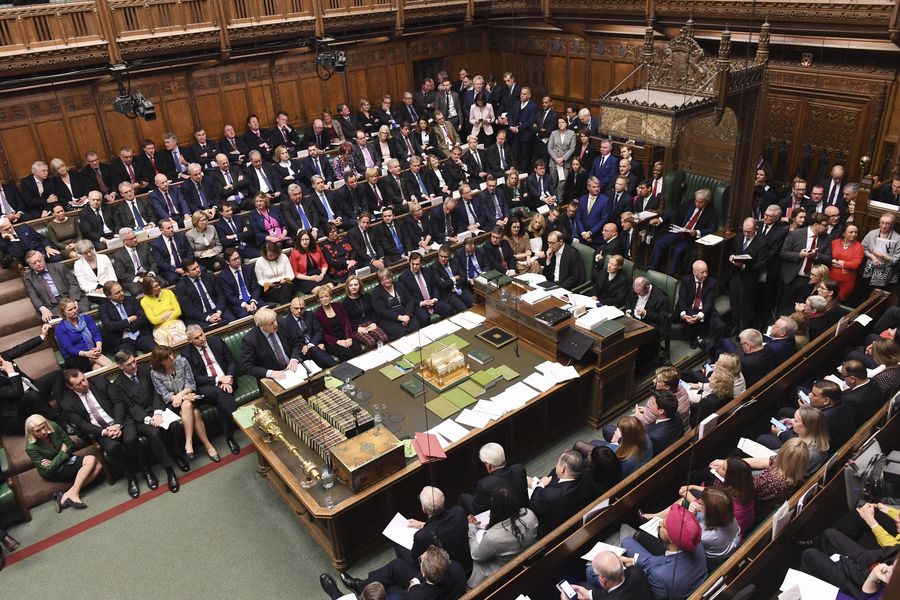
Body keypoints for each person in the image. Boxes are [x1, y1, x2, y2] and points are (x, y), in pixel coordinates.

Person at [60, 369, 145, 499]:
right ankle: (130, 478)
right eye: (79, 384)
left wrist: (117, 424)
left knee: (131, 439)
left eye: (84, 379)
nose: (84, 384)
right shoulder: (67, 403)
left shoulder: (100, 382)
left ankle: (146, 470)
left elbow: (118, 402)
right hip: (100, 431)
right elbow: (82, 424)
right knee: (112, 447)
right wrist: (104, 432)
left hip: (120, 420)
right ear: (70, 387)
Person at [110, 350, 186, 489]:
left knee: (174, 425)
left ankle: (177, 455)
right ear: (120, 366)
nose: (134, 366)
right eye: (129, 364)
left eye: (134, 361)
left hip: (157, 409)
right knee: (154, 433)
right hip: (141, 418)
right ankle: (169, 470)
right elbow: (130, 406)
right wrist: (148, 419)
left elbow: (157, 392)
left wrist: (157, 413)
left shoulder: (146, 370)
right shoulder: (118, 384)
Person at [619, 502, 707, 600]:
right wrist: (633, 562)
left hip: (668, 577)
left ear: (671, 539)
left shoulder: (659, 575)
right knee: (627, 542)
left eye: (664, 526)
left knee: (626, 541)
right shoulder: (696, 544)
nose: (660, 523)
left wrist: (635, 571)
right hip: (671, 566)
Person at [149, 345, 219, 463]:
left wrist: (180, 396)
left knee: (187, 404)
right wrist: (178, 398)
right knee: (195, 413)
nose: (172, 357)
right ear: (160, 361)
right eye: (167, 357)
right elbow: (165, 395)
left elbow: (191, 384)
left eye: (171, 354)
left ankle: (188, 443)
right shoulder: (155, 373)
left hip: (190, 396)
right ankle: (208, 445)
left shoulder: (182, 362)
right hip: (174, 404)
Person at [712, 437, 809, 517]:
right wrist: (727, 463)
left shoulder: (773, 481)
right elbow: (759, 462)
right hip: (751, 487)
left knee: (710, 476)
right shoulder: (790, 467)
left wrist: (727, 472)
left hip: (755, 507)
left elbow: (743, 487)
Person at [181, 325, 240, 455]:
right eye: (196, 338)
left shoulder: (216, 341)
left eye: (201, 334)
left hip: (228, 381)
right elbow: (196, 378)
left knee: (221, 399)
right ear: (190, 340)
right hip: (207, 388)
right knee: (220, 393)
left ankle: (230, 438)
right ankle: (241, 419)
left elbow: (231, 361)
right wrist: (219, 380)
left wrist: (229, 378)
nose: (201, 339)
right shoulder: (186, 353)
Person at [25, 414, 101, 511]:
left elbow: (70, 444)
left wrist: (54, 461)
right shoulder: (31, 448)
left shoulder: (53, 426)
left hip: (67, 459)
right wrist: (62, 452)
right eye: (38, 431)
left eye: (44, 427)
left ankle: (67, 494)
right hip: (55, 471)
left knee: (98, 465)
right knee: (91, 459)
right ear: (31, 432)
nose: (43, 432)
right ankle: (74, 494)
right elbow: (48, 469)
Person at [466, 486, 539, 588]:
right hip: (526, 558)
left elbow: (476, 555)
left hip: (504, 571)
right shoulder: (529, 514)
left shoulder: (491, 537)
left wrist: (471, 528)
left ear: (495, 507)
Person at [800, 529, 895, 599]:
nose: (889, 568)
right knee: (830, 535)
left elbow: (863, 585)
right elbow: (888, 552)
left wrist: (844, 560)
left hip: (861, 585)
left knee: (810, 555)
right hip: (873, 573)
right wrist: (873, 577)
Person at [647, 188, 717, 272]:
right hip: (679, 232)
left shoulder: (711, 212)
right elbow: (676, 211)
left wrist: (697, 232)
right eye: (696, 201)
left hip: (691, 238)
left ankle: (670, 276)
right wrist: (660, 219)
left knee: (678, 251)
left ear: (707, 201)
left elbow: (712, 228)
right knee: (660, 242)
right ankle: (651, 268)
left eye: (701, 202)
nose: (697, 204)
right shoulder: (691, 203)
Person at [529, 450, 592, 538]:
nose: (556, 465)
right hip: (573, 516)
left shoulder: (549, 495)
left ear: (563, 469)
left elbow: (532, 507)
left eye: (558, 462)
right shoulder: (587, 476)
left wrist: (540, 485)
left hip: (550, 532)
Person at [758, 405, 830, 475]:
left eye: (796, 420)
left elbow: (777, 464)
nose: (792, 421)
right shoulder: (819, 441)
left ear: (807, 427)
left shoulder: (800, 451)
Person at [460, 442, 528, 515]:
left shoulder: (484, 485)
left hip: (500, 516)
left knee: (463, 497)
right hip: (522, 509)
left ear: (489, 465)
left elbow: (477, 509)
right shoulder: (519, 468)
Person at [242, 307, 304, 381]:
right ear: (262, 326)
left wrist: (294, 359)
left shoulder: (283, 323)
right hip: (271, 377)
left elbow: (298, 341)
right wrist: (270, 373)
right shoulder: (250, 340)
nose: (275, 324)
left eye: (275, 320)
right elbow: (248, 366)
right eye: (271, 323)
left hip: (293, 367)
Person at [675, 259, 724, 350]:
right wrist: (683, 315)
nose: (705, 275)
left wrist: (700, 315)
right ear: (694, 272)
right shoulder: (686, 280)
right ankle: (694, 339)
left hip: (705, 309)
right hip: (690, 307)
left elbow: (709, 302)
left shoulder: (712, 282)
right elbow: (682, 300)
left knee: (720, 325)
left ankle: (717, 346)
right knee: (691, 316)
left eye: (706, 271)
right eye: (702, 272)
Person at [280, 295, 338, 370]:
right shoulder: (286, 323)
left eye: (301, 308)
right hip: (302, 351)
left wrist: (311, 344)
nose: (299, 311)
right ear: (291, 309)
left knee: (317, 349)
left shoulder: (309, 314)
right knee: (314, 350)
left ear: (305, 307)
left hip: (315, 344)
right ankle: (336, 368)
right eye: (296, 308)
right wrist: (305, 346)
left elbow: (319, 330)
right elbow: (293, 342)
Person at [55, 297, 113, 371]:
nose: (74, 311)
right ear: (63, 313)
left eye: (75, 308)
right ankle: (116, 370)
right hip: (75, 357)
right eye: (70, 310)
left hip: (92, 351)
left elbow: (96, 334)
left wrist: (98, 347)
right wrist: (86, 353)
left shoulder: (86, 318)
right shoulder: (60, 328)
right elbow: (69, 348)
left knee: (97, 367)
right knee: (97, 357)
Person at [568, 550, 653, 600]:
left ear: (603, 580)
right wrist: (589, 594)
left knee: (581, 583)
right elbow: (619, 590)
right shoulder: (636, 571)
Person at [312, 286, 365, 361]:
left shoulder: (338, 306)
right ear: (319, 300)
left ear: (330, 297)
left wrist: (349, 338)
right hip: (331, 342)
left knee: (358, 350)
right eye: (321, 297)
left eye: (326, 296)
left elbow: (347, 323)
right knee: (347, 354)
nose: (324, 299)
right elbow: (322, 334)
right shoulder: (317, 314)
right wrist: (337, 341)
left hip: (346, 336)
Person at [371, 267, 421, 339]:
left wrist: (407, 315)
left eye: (389, 278)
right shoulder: (376, 292)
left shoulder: (399, 285)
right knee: (401, 332)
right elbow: (382, 311)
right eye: (384, 279)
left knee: (415, 326)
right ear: (380, 281)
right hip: (388, 318)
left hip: (405, 314)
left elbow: (410, 301)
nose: (387, 281)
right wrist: (400, 318)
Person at [342, 274, 390, 349]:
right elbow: (346, 321)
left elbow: (374, 311)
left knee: (384, 338)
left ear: (360, 285)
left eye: (356, 284)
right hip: (357, 327)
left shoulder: (366, 296)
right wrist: (357, 328)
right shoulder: (345, 302)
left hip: (370, 323)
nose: (353, 287)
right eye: (351, 285)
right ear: (348, 287)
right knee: (371, 342)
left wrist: (374, 322)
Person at [140, 275, 187, 345]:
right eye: (155, 286)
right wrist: (169, 313)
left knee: (179, 337)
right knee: (173, 338)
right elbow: (154, 321)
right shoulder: (144, 301)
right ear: (149, 289)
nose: (159, 287)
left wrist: (163, 318)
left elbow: (178, 311)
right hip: (159, 327)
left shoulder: (168, 293)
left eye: (159, 284)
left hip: (175, 322)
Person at [861, 212, 900, 292]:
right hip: (868, 269)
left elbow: (896, 259)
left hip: (884, 274)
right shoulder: (872, 233)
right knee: (863, 291)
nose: (884, 226)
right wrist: (872, 256)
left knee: (876, 294)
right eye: (882, 223)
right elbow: (862, 248)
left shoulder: (897, 238)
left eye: (887, 223)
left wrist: (882, 256)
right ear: (879, 223)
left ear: (892, 225)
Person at [149, 217, 194, 285]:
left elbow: (190, 252)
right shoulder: (156, 244)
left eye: (172, 227)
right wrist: (176, 270)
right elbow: (161, 262)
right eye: (168, 228)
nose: (172, 229)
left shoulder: (181, 236)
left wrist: (187, 266)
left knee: (201, 270)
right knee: (173, 279)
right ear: (161, 230)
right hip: (170, 269)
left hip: (186, 265)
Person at [839, 359, 884, 424]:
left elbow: (849, 421)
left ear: (852, 379)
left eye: (844, 376)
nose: (844, 379)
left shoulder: (851, 400)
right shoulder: (873, 382)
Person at [290, 229, 332, 294]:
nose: (304, 242)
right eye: (302, 240)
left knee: (330, 287)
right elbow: (296, 273)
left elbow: (324, 263)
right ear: (299, 241)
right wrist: (310, 278)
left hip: (319, 274)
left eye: (306, 239)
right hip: (305, 278)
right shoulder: (294, 253)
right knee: (320, 291)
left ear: (310, 240)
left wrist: (322, 274)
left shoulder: (316, 247)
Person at [830, 223, 864, 302]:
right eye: (851, 232)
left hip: (846, 281)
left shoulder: (859, 247)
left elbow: (855, 265)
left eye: (856, 232)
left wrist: (837, 261)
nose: (854, 234)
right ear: (844, 232)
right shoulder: (834, 243)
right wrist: (846, 265)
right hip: (830, 279)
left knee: (837, 301)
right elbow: (828, 260)